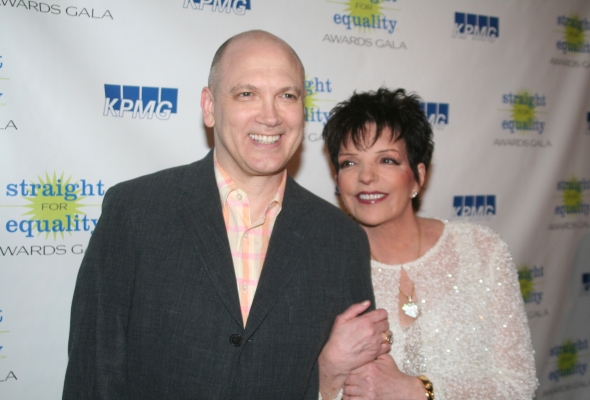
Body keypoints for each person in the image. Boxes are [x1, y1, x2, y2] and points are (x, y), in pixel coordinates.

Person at [62, 30, 389, 399]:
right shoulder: (134, 212)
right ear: (209, 106)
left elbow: (364, 387)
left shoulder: (340, 239)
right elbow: (92, 374)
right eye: (247, 94)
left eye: (287, 95)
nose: (271, 116)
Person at [319, 88, 539, 399]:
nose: (366, 177)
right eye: (349, 163)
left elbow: (519, 386)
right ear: (338, 181)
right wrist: (328, 374)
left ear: (418, 176)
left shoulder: (481, 250)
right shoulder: (320, 270)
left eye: (386, 160)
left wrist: (418, 390)